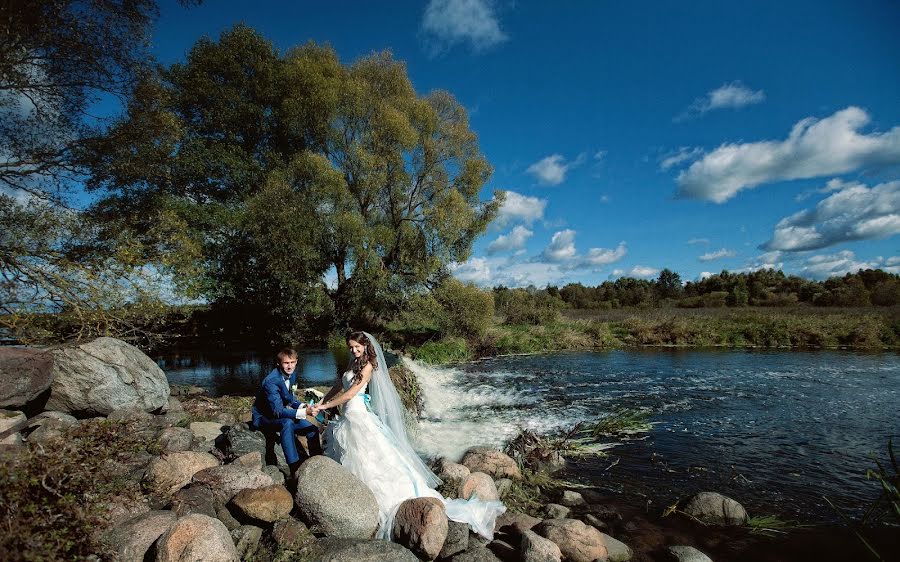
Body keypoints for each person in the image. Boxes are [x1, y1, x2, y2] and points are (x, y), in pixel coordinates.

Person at [311, 331, 505, 540]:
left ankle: (372, 503)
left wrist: (326, 407)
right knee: (355, 457)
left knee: (368, 459)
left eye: (357, 347)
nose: (354, 350)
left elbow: (350, 394)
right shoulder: (352, 363)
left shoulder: (367, 366)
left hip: (358, 417)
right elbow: (339, 386)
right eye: (350, 347)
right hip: (348, 417)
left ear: (366, 346)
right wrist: (322, 402)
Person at [251, 347, 323, 474]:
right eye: (286, 363)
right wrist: (305, 413)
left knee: (312, 429)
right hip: (264, 418)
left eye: (292, 362)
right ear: (278, 363)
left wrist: (303, 407)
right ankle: (294, 466)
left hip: (281, 414)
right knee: (287, 423)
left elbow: (289, 398)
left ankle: (317, 464)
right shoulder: (271, 381)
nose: (290, 366)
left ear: (296, 362)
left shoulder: (291, 374)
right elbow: (277, 412)